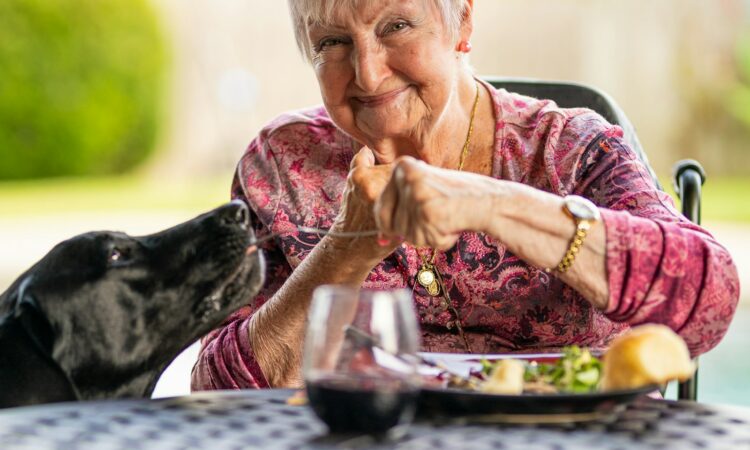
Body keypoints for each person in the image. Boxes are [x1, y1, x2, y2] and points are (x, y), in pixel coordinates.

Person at [191, 0, 739, 390]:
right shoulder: (283, 163)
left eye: (397, 25)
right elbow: (217, 390)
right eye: (331, 43)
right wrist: (345, 249)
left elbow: (710, 299)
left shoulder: (568, 149)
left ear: (463, 22)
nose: (368, 72)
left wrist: (491, 202)